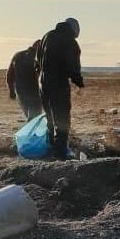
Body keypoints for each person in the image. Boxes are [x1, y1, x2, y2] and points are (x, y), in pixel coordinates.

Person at [36, 18, 84, 159]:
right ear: (74, 30)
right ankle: (60, 152)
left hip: (43, 83)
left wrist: (40, 76)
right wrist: (79, 83)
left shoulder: (47, 36)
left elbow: (37, 59)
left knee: (49, 117)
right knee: (62, 118)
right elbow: (73, 67)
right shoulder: (70, 42)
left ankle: (50, 148)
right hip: (58, 84)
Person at [6, 41, 42, 121]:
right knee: (34, 116)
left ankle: (31, 130)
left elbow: (10, 75)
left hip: (21, 92)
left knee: (30, 115)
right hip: (34, 92)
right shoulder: (39, 58)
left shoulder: (18, 55)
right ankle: (29, 131)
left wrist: (11, 90)